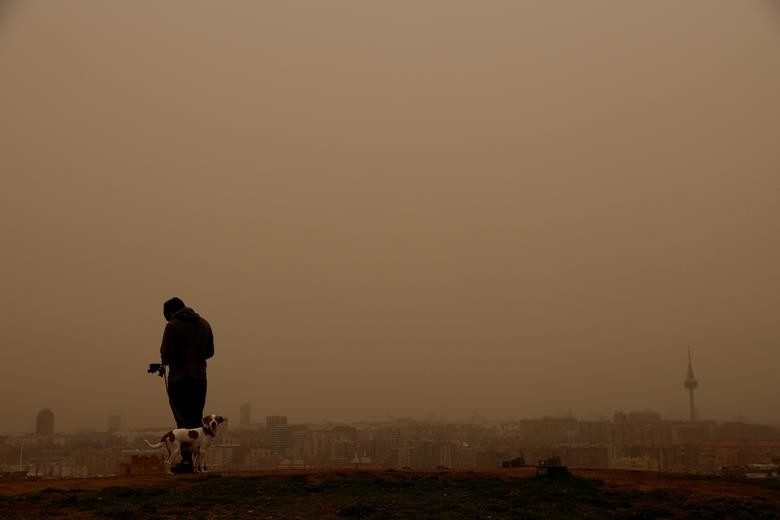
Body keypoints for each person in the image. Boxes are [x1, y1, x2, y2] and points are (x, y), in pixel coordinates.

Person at [160, 297, 214, 473]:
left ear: (170, 313)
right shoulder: (204, 324)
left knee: (182, 422)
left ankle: (186, 462)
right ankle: (197, 462)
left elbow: (167, 355)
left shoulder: (172, 326)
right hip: (199, 379)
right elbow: (210, 352)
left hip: (179, 380)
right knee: (196, 419)